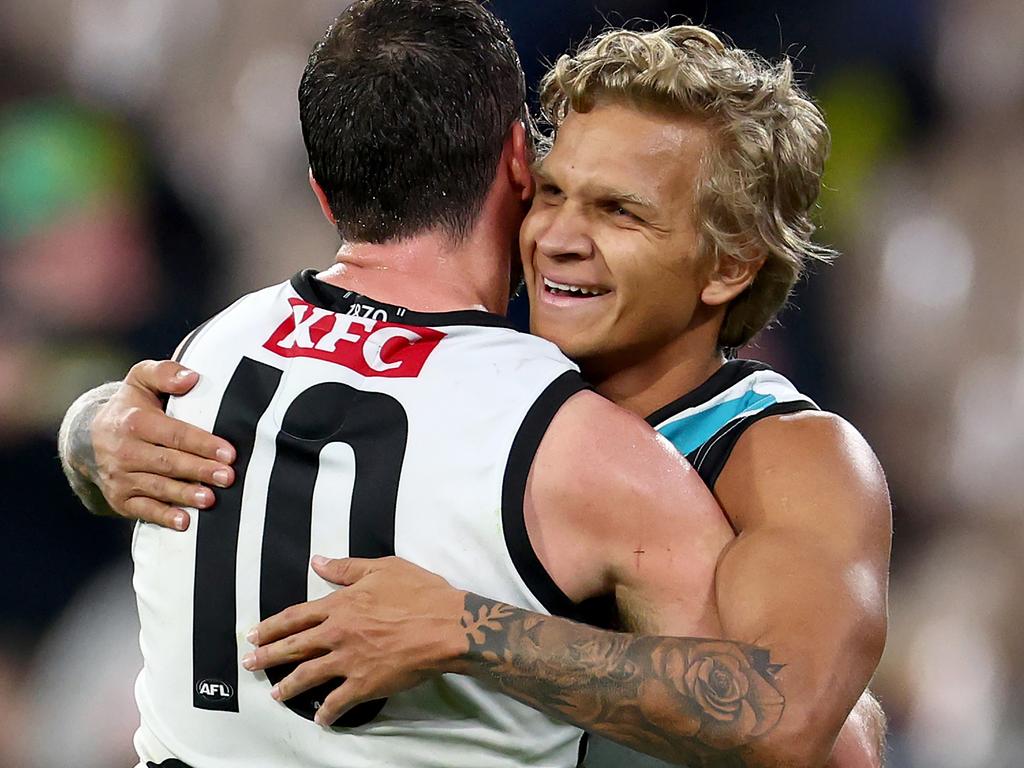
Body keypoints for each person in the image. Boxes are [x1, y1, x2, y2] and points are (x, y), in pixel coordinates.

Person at [59, 15, 891, 768]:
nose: (562, 238)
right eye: (555, 192)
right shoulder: (490, 395)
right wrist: (96, 429)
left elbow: (810, 735)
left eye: (620, 213)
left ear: (731, 265)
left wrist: (474, 632)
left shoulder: (789, 456)